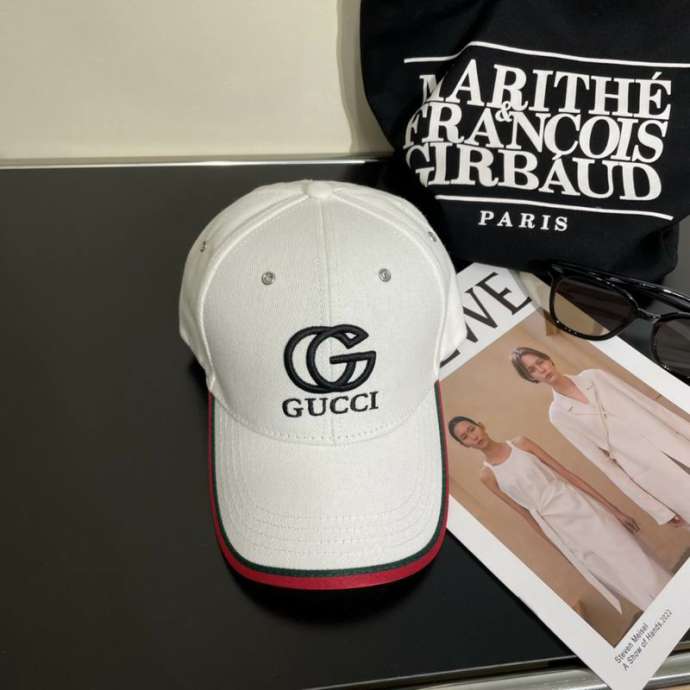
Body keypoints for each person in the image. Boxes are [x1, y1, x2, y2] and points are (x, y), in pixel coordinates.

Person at [448, 416, 671, 613]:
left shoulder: (521, 444)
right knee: (612, 571)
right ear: (464, 445)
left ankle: (674, 598)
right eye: (465, 437)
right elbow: (524, 515)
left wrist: (615, 510)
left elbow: (567, 474)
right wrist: (563, 552)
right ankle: (660, 615)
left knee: (630, 552)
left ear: (481, 426)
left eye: (472, 429)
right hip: (558, 528)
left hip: (578, 505)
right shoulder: (487, 476)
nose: (473, 436)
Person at [511, 347, 690, 526]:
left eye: (540, 362)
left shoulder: (595, 377)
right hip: (653, 473)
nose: (541, 369)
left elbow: (650, 406)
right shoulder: (558, 414)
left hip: (675, 444)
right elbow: (603, 464)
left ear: (549, 360)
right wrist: (658, 511)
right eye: (532, 370)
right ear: (531, 378)